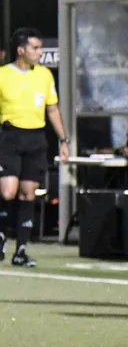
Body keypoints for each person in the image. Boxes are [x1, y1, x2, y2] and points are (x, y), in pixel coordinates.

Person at [0, 28, 70, 266]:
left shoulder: (44, 76)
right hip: (10, 137)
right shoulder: (3, 75)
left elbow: (52, 110)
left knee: (28, 194)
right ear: (21, 50)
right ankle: (1, 234)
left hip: (36, 139)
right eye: (36, 48)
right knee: (7, 192)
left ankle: (20, 250)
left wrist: (64, 140)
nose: (40, 52)